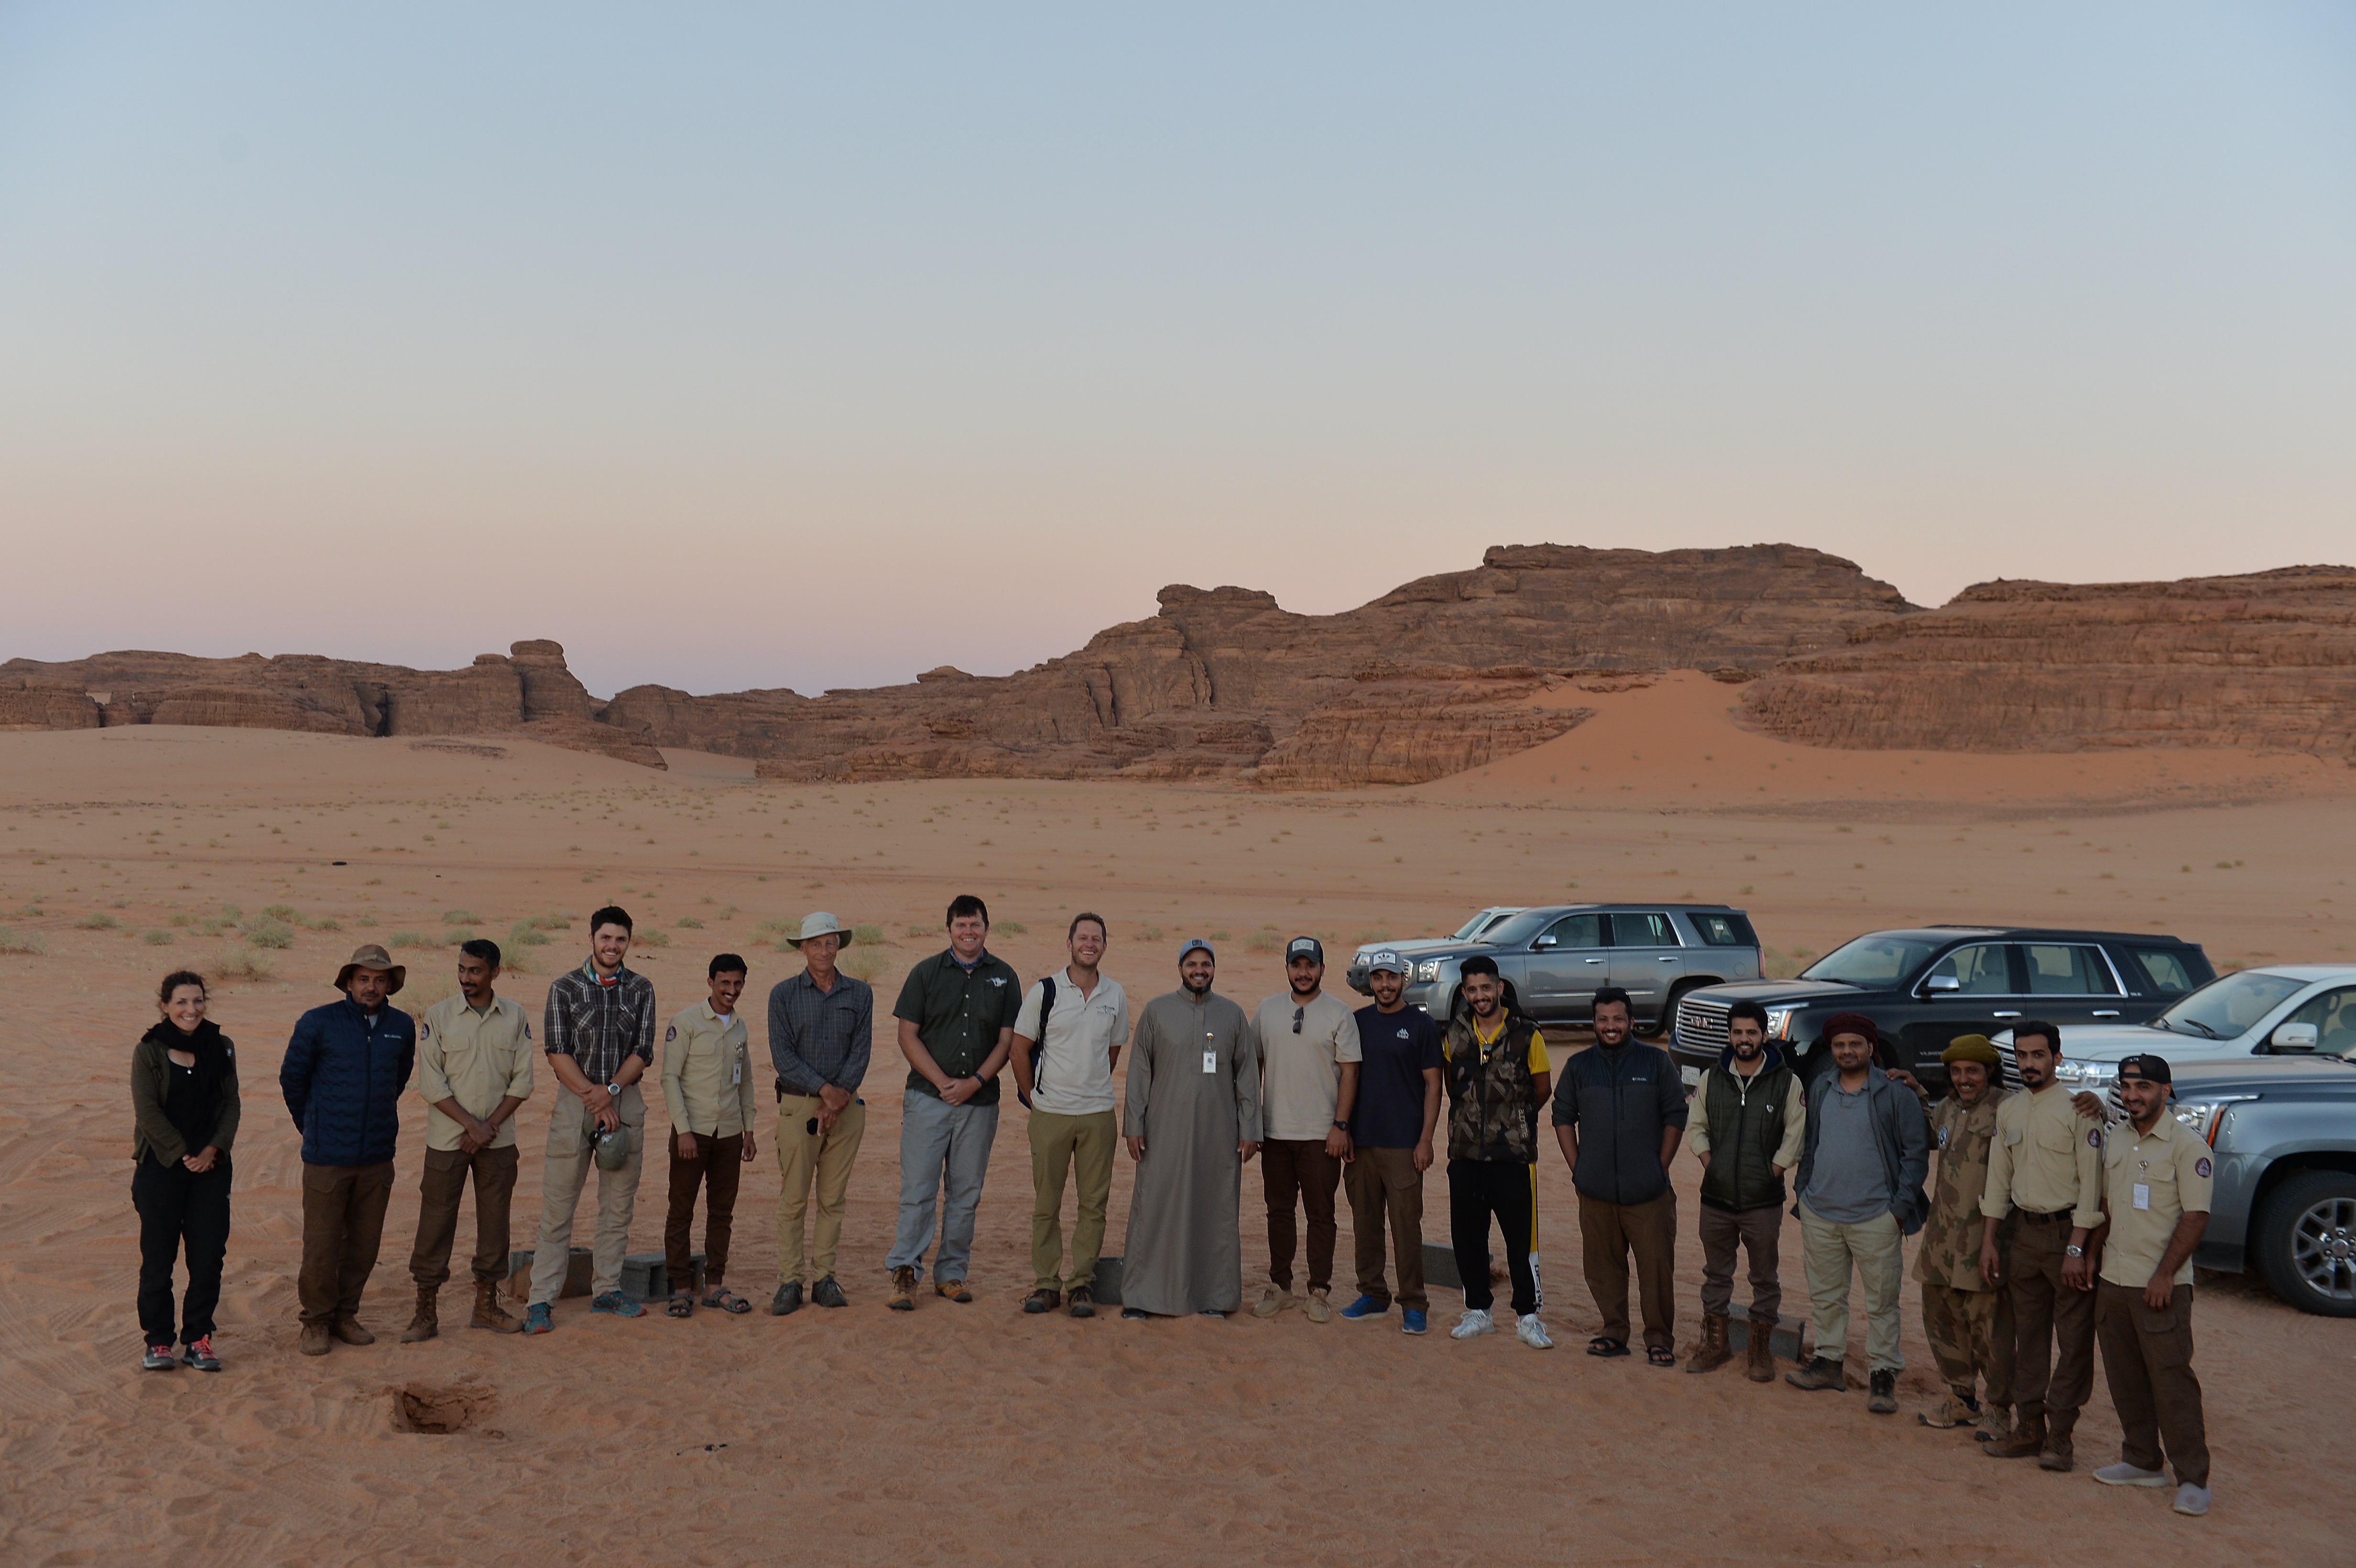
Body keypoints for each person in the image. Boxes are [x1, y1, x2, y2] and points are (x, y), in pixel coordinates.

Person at [1784, 1013, 1929, 1414]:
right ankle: (1828, 1362)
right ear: (1831, 1050)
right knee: (1826, 1297)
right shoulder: (1820, 1088)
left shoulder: (1896, 1094)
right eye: (1839, 1045)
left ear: (1870, 1048)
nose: (1847, 1051)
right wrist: (1804, 1191)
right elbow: (1811, 1144)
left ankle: (1883, 1375)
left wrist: (1897, 1212)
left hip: (1876, 1218)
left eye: (1855, 1045)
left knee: (1882, 1303)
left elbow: (1915, 1157)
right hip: (1821, 1213)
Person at [2089, 1054, 2213, 1518]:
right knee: (2124, 1376)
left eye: (2142, 1087)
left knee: (2171, 1380)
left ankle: (2193, 1478)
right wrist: (2088, 1253)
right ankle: (2141, 1459)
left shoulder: (2187, 1146)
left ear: (2164, 1090)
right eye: (2125, 1086)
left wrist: (2163, 1273)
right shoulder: (2117, 1138)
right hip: (2113, 1279)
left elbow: (2195, 1215)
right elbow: (2107, 1204)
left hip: (2160, 1285)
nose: (2132, 1095)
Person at [280, 944, 418, 1357]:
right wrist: (315, 1125)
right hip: (327, 1157)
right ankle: (316, 1322)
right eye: (364, 979)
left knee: (363, 1243)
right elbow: (292, 1080)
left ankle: (345, 1315)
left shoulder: (402, 1026)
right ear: (349, 982)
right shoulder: (318, 1022)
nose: (371, 986)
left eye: (380, 979)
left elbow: (400, 1077)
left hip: (377, 1154)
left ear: (390, 984)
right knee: (321, 1245)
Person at [1978, 1019, 2104, 1470]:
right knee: (2027, 1339)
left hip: (2066, 1234)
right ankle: (2028, 1429)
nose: (2029, 1063)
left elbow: (2092, 1187)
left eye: (2038, 1055)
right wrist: (1991, 1242)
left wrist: (2077, 1249)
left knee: (2072, 1342)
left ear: (2057, 1057)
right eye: (2022, 1055)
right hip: (2023, 1235)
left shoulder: (2081, 1110)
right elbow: (1998, 1181)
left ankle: (2061, 1437)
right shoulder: (2010, 1111)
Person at [524, 906, 657, 1332]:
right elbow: (556, 1050)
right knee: (558, 1208)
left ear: (628, 943)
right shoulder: (564, 988)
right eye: (606, 938)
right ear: (592, 939)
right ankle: (541, 1301)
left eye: (620, 939)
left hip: (625, 1104)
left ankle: (608, 1291)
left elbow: (643, 1049)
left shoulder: (642, 989)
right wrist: (594, 1098)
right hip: (573, 1105)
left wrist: (612, 1092)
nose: (612, 946)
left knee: (617, 1208)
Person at [886, 894, 1021, 1309]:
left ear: (986, 928)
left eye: (975, 925)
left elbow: (1007, 1041)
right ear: (949, 929)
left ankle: (951, 1274)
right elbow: (907, 1034)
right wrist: (945, 1082)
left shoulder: (1004, 977)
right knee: (919, 1189)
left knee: (966, 1193)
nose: (968, 932)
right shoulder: (926, 973)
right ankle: (906, 1273)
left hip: (979, 1105)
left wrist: (975, 1082)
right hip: (928, 1098)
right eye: (961, 926)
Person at [1118, 940, 1262, 1318]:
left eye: (1206, 964)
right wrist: (1134, 1125)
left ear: (1214, 969)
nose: (1199, 970)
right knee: (1155, 1207)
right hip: (1163, 1132)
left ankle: (1213, 1298)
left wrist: (1250, 1129)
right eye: (1192, 964)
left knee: (1214, 1211)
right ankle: (1142, 1298)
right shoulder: (1157, 1012)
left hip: (1217, 1137)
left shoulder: (1232, 1015)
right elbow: (1139, 1074)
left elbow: (1247, 1076)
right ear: (1180, 968)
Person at [403, 939, 533, 1343]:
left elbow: (523, 1080)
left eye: (475, 971)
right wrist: (470, 1126)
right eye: (461, 969)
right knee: (435, 1222)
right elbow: (430, 1082)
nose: (466, 978)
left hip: (497, 1141)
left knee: (495, 1224)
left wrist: (488, 1126)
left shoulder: (515, 1016)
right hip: (447, 1141)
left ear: (496, 972)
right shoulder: (440, 1016)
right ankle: (426, 1311)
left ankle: (486, 1307)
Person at [1554, 986, 1687, 1366]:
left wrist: (1659, 1167)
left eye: (1617, 1019)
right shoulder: (1579, 1066)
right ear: (1594, 1023)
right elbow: (1563, 1116)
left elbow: (1676, 1115)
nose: (1610, 1027)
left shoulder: (1656, 1063)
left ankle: (1659, 1338)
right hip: (1595, 1191)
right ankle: (1614, 1331)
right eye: (1602, 1020)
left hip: (1649, 1193)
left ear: (1632, 1022)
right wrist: (1578, 1168)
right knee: (1602, 1268)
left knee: (1656, 1269)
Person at [1011, 913, 1132, 1318]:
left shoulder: (1115, 995)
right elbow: (1019, 1047)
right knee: (1047, 1203)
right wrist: (1035, 1098)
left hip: (1098, 1115)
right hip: (1051, 1116)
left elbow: (1111, 1054)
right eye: (1083, 937)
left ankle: (1081, 1285)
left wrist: (1089, 1086)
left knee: (1093, 1205)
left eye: (1097, 938)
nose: (1089, 944)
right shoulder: (1045, 992)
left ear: (1104, 946)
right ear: (1070, 943)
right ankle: (1046, 1284)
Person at [1683, 999, 1803, 1381]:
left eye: (1752, 1032)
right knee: (1716, 1274)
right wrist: (1710, 1162)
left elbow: (1795, 1132)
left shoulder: (1787, 1081)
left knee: (1764, 1277)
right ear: (1730, 1035)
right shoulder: (1712, 1078)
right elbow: (1696, 1126)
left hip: (1763, 1201)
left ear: (1764, 1035)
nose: (1744, 1039)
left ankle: (1760, 1348)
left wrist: (1775, 1169)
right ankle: (1716, 1343)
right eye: (1737, 1032)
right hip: (1715, 1199)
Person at [1440, 956, 1552, 1349]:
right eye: (1471, 990)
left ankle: (1528, 1316)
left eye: (1486, 988)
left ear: (1500, 988)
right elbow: (1451, 1088)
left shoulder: (1527, 1035)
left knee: (1521, 1240)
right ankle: (1478, 1312)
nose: (1479, 996)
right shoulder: (1453, 1034)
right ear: (1465, 993)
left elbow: (1542, 1089)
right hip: (1465, 1155)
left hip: (1515, 1158)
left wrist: (1516, 1123)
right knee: (1468, 1238)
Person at [131, 970, 240, 1372]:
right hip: (161, 1169)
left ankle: (198, 1338)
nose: (191, 1010)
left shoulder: (222, 1047)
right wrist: (183, 1154)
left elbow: (232, 1105)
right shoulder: (149, 1051)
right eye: (181, 1002)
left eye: (197, 1001)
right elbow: (147, 1114)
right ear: (165, 1006)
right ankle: (158, 1341)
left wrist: (212, 1150)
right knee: (159, 1260)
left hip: (211, 1169)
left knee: (208, 1258)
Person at [766, 912, 873, 1315]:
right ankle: (789, 1282)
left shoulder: (861, 994)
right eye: (816, 944)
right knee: (793, 1199)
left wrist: (837, 1099)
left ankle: (825, 1279)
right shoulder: (783, 995)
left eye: (831, 943)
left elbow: (861, 1051)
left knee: (833, 1199)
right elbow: (783, 1057)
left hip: (847, 1109)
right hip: (799, 1106)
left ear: (839, 946)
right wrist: (825, 1092)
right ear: (802, 948)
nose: (824, 951)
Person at [1250, 937, 1362, 1324]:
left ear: (1321, 969)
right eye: (1296, 965)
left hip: (1321, 1135)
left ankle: (1319, 1290)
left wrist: (1340, 1126)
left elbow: (1350, 1072)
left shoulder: (1339, 1013)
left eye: (1310, 965)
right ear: (1286, 968)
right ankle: (1281, 1288)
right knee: (1279, 1212)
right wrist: (1253, 1123)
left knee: (1320, 1214)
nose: (1303, 973)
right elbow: (1254, 1066)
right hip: (1276, 1134)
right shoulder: (1267, 1011)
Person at [1909, 1034, 2015, 1437]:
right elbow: (1927, 1130)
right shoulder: (1949, 1108)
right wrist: (1916, 1090)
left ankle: (2000, 1410)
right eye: (1956, 1071)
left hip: (1985, 1240)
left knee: (1989, 1329)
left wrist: (2089, 1102)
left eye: (1972, 1070)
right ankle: (1962, 1399)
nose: (1964, 1078)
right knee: (1941, 1318)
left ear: (1989, 1070)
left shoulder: (2009, 1109)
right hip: (1942, 1239)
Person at [1338, 949, 1444, 1336]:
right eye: (1378, 977)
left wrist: (1426, 1140)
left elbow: (1434, 1086)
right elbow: (1346, 1078)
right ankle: (1373, 1294)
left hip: (1404, 1146)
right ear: (1370, 981)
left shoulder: (1422, 1026)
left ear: (1405, 980)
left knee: (1405, 1228)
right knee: (1365, 1225)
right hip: (1361, 1144)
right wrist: (1344, 1127)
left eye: (1392, 977)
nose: (1385, 985)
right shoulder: (1357, 1022)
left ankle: (1414, 1303)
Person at [661, 954, 760, 1318]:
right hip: (693, 1132)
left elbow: (745, 1080)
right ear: (710, 982)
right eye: (725, 984)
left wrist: (749, 1129)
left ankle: (714, 1284)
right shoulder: (685, 1023)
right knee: (681, 1210)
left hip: (730, 1133)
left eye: (737, 984)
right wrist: (683, 1130)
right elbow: (669, 1078)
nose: (731, 991)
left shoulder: (739, 1028)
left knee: (722, 1211)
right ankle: (681, 1287)